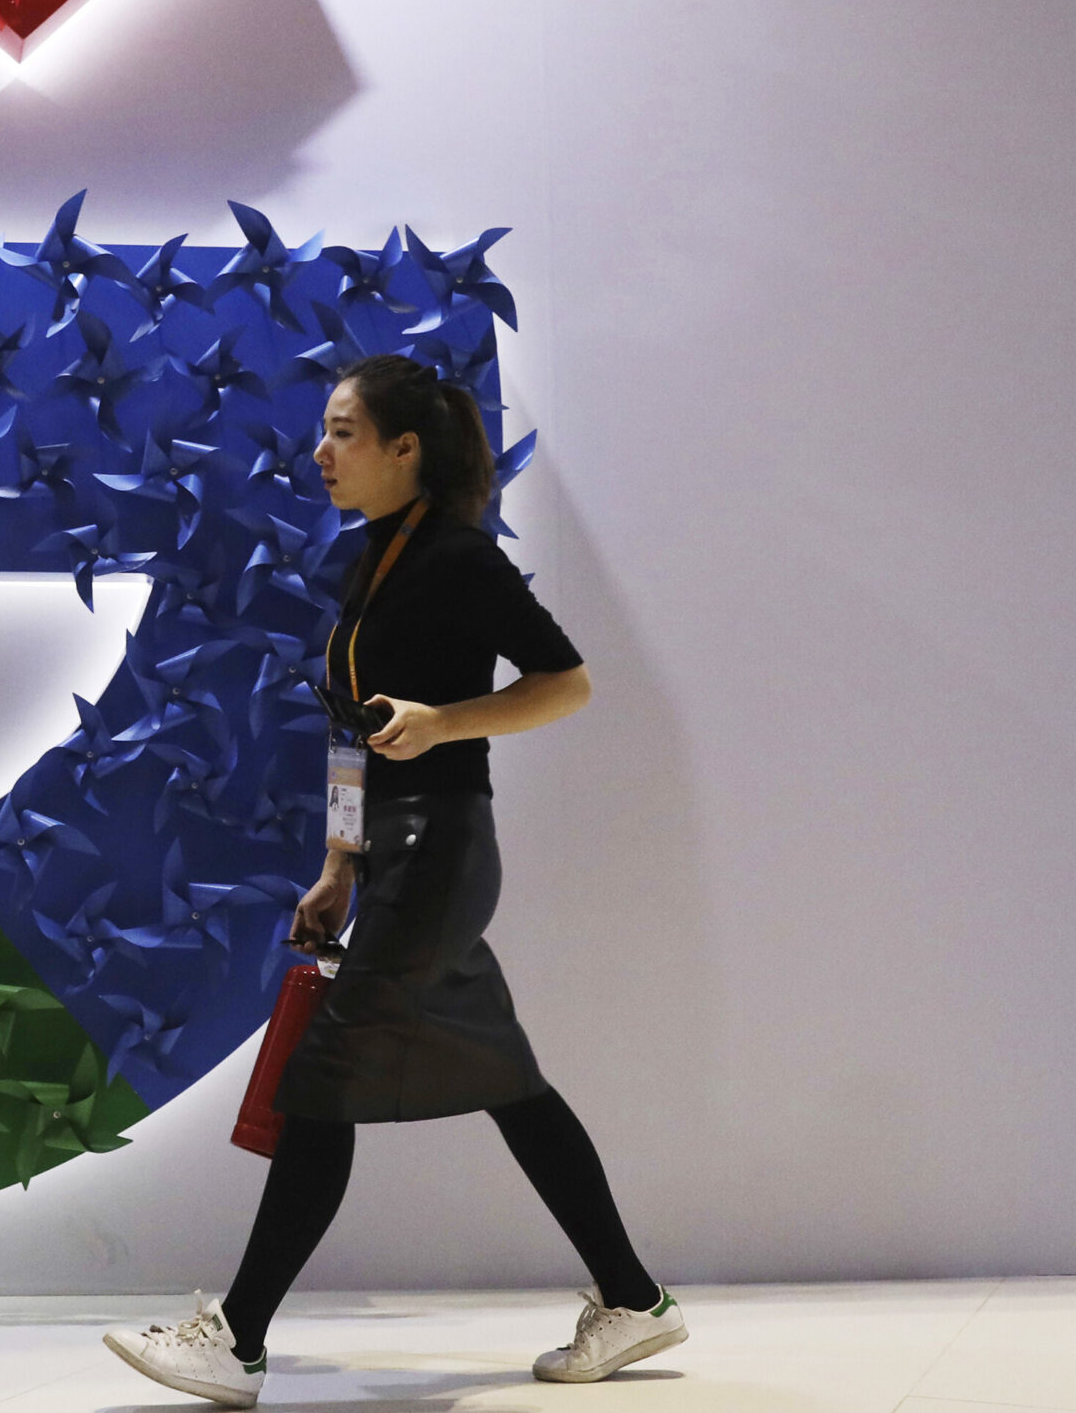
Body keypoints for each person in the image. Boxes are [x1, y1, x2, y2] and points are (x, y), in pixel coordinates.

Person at [103, 354, 686, 1408]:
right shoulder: (367, 561)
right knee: (509, 1083)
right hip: (398, 852)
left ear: (403, 448)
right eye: (324, 432)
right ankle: (635, 1299)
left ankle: (235, 1338)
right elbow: (351, 731)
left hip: (442, 846)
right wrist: (337, 861)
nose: (318, 452)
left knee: (320, 1080)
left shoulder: (459, 556)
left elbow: (567, 681)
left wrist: (450, 720)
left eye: (341, 432)